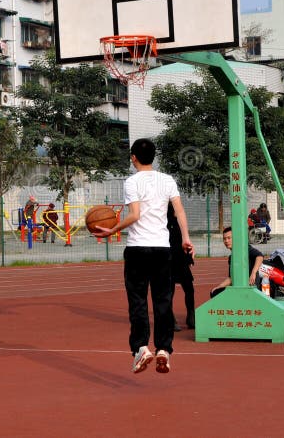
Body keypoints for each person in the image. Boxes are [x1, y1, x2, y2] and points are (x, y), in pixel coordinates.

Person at [92, 138, 193, 374]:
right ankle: (164, 350)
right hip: (162, 249)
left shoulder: (132, 181)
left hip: (138, 249)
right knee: (163, 301)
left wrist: (114, 229)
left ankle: (141, 348)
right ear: (154, 157)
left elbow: (135, 214)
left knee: (138, 301)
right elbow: (179, 212)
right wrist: (186, 238)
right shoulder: (167, 180)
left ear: (133, 157)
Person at [210, 226, 265, 298]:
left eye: (229, 238)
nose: (226, 241)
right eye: (224, 239)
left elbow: (260, 256)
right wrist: (219, 286)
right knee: (215, 292)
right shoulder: (231, 257)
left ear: (235, 238)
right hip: (238, 288)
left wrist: (253, 272)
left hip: (251, 287)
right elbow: (231, 278)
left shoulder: (245, 249)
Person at [168, 202, 195, 331]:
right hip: (170, 261)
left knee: (188, 288)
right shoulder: (166, 225)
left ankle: (191, 316)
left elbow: (184, 242)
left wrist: (188, 257)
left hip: (179, 261)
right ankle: (171, 319)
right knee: (171, 291)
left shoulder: (177, 224)